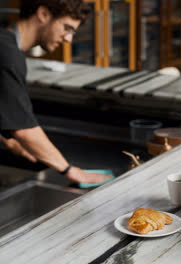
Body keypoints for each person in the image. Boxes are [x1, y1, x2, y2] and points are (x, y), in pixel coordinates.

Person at [0, 0, 110, 184]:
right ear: (43, 14)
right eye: (67, 28)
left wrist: (7, 141)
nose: (68, 39)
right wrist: (71, 171)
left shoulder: (5, 44)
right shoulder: (8, 55)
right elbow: (25, 131)